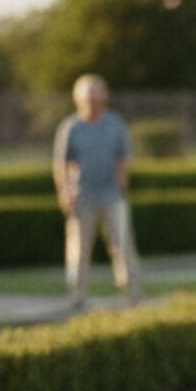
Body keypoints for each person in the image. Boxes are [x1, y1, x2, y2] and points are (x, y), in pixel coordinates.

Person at [53, 75, 141, 307]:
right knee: (79, 249)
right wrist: (65, 191)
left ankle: (132, 292)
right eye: (88, 93)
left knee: (122, 244)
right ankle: (77, 294)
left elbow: (124, 157)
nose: (92, 97)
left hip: (112, 195)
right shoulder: (71, 127)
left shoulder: (115, 123)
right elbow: (62, 164)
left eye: (97, 92)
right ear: (78, 97)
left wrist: (122, 183)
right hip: (83, 196)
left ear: (104, 96)